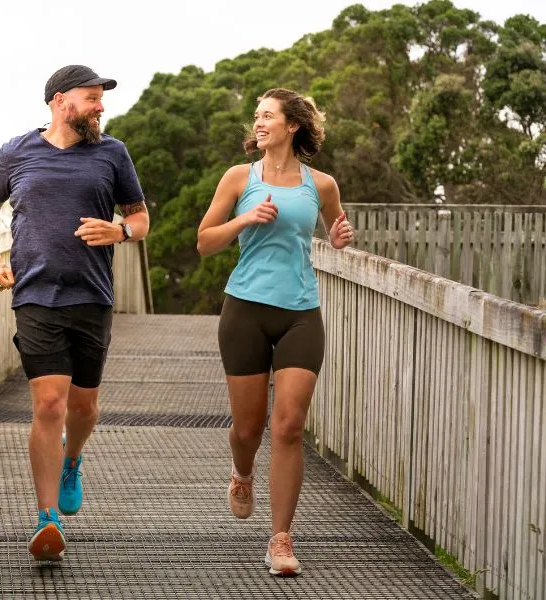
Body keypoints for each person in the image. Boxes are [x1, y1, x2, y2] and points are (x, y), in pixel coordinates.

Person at [0, 64, 149, 562]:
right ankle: (47, 516)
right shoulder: (16, 152)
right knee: (49, 404)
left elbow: (140, 218)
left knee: (84, 408)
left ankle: (73, 459)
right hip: (34, 296)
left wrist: (121, 233)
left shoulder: (112, 153)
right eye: (91, 97)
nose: (100, 106)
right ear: (58, 100)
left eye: (101, 98)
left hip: (92, 296)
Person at [197, 88, 354, 576]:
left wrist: (340, 238)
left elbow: (336, 231)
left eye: (268, 116)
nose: (259, 123)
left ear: (292, 126)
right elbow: (204, 242)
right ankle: (242, 471)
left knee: (287, 427)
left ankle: (280, 540)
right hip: (244, 309)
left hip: (300, 313)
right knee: (248, 429)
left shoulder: (321, 184)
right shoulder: (238, 177)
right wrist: (245, 217)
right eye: (257, 116)